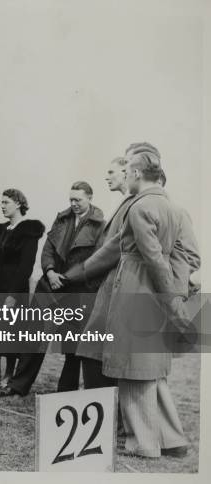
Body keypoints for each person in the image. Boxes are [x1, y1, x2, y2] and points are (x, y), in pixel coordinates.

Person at [102, 151, 192, 458]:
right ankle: (170, 438)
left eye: (127, 171)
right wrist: (175, 297)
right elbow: (178, 258)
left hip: (136, 286)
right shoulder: (171, 207)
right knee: (150, 367)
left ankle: (142, 443)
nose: (125, 176)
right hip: (156, 292)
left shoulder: (139, 206)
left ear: (138, 173)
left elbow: (153, 259)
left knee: (131, 365)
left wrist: (171, 301)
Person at [62, 157, 134, 389]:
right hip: (106, 284)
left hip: (113, 284)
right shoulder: (125, 202)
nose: (107, 176)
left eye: (112, 172)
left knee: (92, 351)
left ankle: (105, 409)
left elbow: (111, 248)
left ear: (126, 172)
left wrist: (78, 273)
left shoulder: (132, 202)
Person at [40, 181, 105, 392]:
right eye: (71, 200)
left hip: (84, 291)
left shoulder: (101, 225)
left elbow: (98, 260)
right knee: (69, 347)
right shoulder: (62, 220)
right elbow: (48, 249)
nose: (74, 203)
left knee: (83, 347)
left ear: (90, 198)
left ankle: (83, 392)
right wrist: (50, 271)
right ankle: (67, 390)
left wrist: (66, 278)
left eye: (78, 199)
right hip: (62, 290)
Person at [0, 189, 45, 395]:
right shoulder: (1, 229)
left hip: (15, 287)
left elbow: (26, 267)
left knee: (10, 332)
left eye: (6, 202)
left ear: (18, 203)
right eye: (1, 202)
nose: (2, 205)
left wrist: (12, 295)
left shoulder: (29, 231)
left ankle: (9, 375)